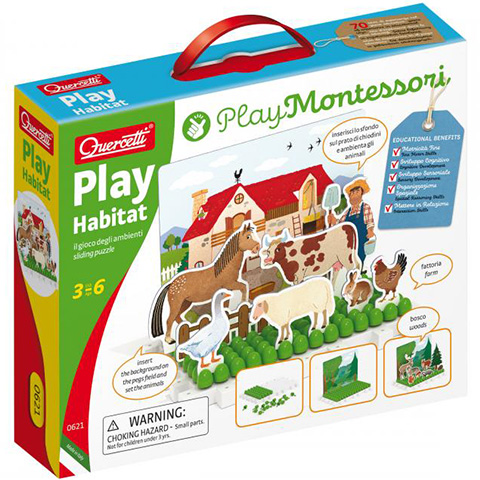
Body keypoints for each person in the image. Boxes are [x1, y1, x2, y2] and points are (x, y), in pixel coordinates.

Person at [328, 178, 375, 272]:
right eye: (352, 193)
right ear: (349, 196)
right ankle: (350, 273)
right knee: (348, 259)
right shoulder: (347, 212)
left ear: (361, 193)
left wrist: (370, 231)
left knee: (360, 256)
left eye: (357, 191)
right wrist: (333, 220)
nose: (354, 194)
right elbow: (340, 224)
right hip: (348, 242)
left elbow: (369, 222)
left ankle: (359, 272)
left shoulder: (365, 207)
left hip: (361, 239)